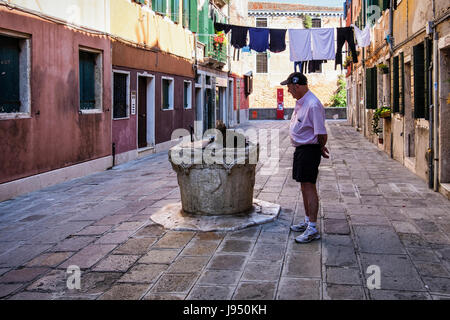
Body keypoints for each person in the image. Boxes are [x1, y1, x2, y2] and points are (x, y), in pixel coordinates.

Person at [280, 72, 329, 243]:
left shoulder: (312, 104)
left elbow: (321, 132)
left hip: (309, 150)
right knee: (303, 186)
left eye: (289, 88)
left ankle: (313, 228)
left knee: (309, 187)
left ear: (297, 86)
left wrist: (320, 147)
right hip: (301, 150)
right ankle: (308, 221)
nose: (288, 91)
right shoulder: (301, 103)